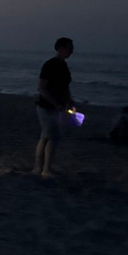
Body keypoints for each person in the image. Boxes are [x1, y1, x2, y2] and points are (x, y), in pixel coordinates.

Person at [33, 37, 75, 178]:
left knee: (46, 136)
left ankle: (39, 168)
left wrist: (69, 100)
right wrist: (54, 102)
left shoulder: (64, 66)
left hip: (58, 106)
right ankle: (45, 169)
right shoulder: (50, 65)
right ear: (60, 48)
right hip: (46, 106)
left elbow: (65, 86)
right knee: (52, 136)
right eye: (69, 48)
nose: (71, 51)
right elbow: (42, 87)